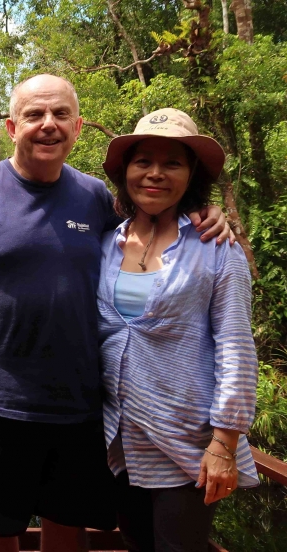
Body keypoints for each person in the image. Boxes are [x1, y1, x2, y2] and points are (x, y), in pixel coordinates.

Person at [0, 74, 232, 552]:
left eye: (61, 114)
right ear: (11, 126)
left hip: (80, 409)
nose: (49, 125)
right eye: (34, 114)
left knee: (67, 529)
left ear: (79, 126)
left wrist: (205, 211)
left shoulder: (94, 199)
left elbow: (152, 221)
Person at [97, 108, 259, 552]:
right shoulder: (106, 244)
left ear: (192, 176)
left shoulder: (217, 249)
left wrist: (225, 442)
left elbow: (236, 347)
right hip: (120, 440)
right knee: (135, 543)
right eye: (142, 161)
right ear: (125, 171)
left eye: (172, 163)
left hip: (187, 444)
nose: (154, 174)